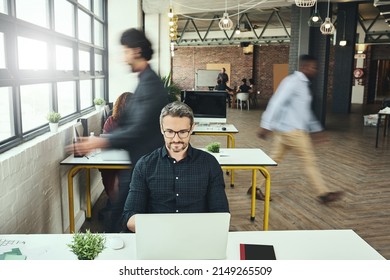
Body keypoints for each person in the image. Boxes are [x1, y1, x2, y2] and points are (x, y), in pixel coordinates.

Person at [71, 28, 169, 232]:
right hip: (139, 168)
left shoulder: (150, 85)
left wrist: (100, 141)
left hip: (147, 171)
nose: (123, 58)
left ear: (137, 51)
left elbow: (138, 130)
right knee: (118, 221)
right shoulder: (144, 82)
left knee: (119, 223)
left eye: (125, 51)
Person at [122, 101, 230, 232]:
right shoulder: (144, 165)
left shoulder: (210, 164)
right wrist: (169, 228)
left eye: (183, 132)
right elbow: (130, 217)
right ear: (162, 129)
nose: (176, 139)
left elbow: (221, 214)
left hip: (197, 236)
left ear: (192, 128)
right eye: (170, 132)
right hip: (157, 236)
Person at [257, 54, 343, 204]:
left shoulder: (302, 85)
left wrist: (316, 129)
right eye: (312, 67)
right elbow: (276, 102)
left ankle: (255, 186)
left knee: (274, 160)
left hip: (285, 131)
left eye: (315, 68)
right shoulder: (293, 82)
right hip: (293, 132)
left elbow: (304, 111)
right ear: (304, 67)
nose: (314, 70)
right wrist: (265, 124)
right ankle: (322, 193)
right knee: (309, 160)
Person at [99, 92, 132, 207]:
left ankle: (117, 202)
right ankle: (119, 203)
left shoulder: (110, 121)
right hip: (116, 162)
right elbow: (105, 142)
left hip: (125, 162)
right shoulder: (111, 121)